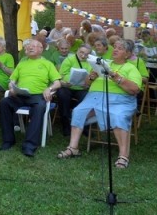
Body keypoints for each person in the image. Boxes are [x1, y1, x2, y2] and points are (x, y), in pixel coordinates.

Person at [57, 38, 141, 168]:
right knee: (78, 111)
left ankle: (123, 155)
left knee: (118, 116)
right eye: (115, 47)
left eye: (120, 48)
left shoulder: (131, 68)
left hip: (119, 101)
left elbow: (135, 89)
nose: (115, 50)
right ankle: (73, 148)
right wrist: (91, 77)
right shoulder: (103, 63)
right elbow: (86, 84)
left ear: (127, 54)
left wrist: (116, 77)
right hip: (94, 98)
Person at [0, 39, 62, 157]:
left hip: (38, 95)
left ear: (41, 50)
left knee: (39, 108)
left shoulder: (47, 64)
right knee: (4, 103)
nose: (30, 48)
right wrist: (12, 87)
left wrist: (49, 89)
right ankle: (8, 140)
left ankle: (29, 145)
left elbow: (57, 83)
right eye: (28, 46)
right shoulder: (22, 64)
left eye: (34, 46)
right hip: (20, 94)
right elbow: (12, 80)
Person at [56, 44, 92, 136]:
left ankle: (84, 125)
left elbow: (93, 77)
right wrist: (65, 82)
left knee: (86, 97)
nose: (83, 56)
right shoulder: (69, 59)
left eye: (86, 54)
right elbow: (61, 76)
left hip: (82, 88)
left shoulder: (90, 62)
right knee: (62, 95)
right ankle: (66, 125)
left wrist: (88, 84)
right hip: (67, 86)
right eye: (81, 52)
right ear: (77, 50)